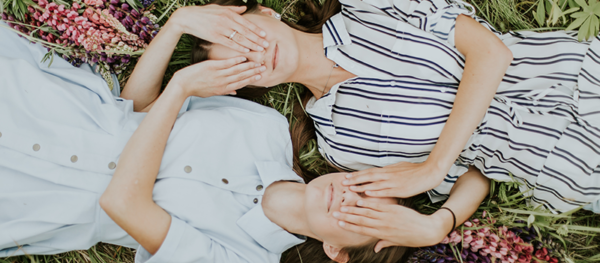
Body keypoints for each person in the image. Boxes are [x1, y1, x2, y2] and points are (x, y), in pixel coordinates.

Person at [0, 4, 455, 262]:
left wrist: (179, 88)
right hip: (46, 108)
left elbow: (121, 204)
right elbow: (133, 114)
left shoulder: (242, 259)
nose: (347, 198)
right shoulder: (266, 128)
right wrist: (177, 24)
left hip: (30, 196)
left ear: (336, 250)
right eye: (366, 188)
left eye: (360, 217)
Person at [192, 0, 600, 253]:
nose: (257, 55)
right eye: (240, 65)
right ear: (244, 86)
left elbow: (490, 52)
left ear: (265, 11)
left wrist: (433, 166)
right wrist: (439, 222)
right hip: (568, 169)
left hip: (578, 77)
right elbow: (474, 174)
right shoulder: (340, 145)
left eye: (247, 36)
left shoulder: (369, 7)